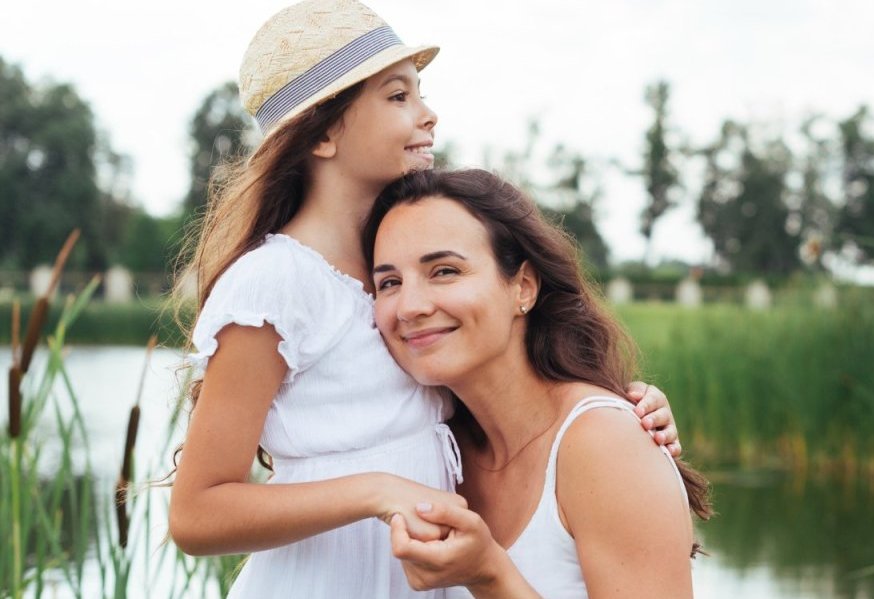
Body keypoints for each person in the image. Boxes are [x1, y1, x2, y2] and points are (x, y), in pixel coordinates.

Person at [166, 1, 680, 597]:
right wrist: (376, 490)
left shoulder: (396, 265)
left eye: (421, 93)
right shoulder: (275, 283)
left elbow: (477, 397)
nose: (429, 116)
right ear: (325, 131)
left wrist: (621, 414)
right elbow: (195, 514)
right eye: (397, 96)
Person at [364, 169, 713, 599]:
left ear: (523, 287)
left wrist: (491, 576)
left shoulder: (604, 444)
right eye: (390, 283)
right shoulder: (425, 441)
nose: (410, 307)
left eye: (445, 271)